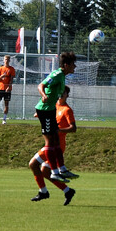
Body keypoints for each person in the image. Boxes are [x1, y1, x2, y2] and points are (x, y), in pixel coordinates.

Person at [28, 85, 77, 205]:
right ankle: (67, 191)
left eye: (63, 92)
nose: (61, 94)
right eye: (60, 92)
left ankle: (43, 192)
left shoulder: (67, 110)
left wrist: (59, 130)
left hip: (57, 146)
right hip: (50, 144)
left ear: (67, 95)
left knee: (33, 164)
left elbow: (73, 128)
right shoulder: (53, 106)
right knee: (44, 171)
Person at [35, 51, 78, 182]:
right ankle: (54, 172)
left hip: (50, 110)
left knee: (56, 141)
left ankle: (62, 169)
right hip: (45, 109)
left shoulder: (62, 76)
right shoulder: (57, 74)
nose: (74, 67)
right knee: (50, 142)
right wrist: (43, 95)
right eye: (72, 64)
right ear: (66, 65)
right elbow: (40, 85)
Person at [0, 55, 16, 124]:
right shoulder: (0, 68)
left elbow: (11, 79)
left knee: (6, 104)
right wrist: (2, 76)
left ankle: (4, 119)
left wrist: (9, 87)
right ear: (4, 60)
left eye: (8, 59)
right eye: (6, 59)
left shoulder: (11, 69)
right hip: (0, 88)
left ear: (9, 60)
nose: (7, 61)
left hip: (7, 89)